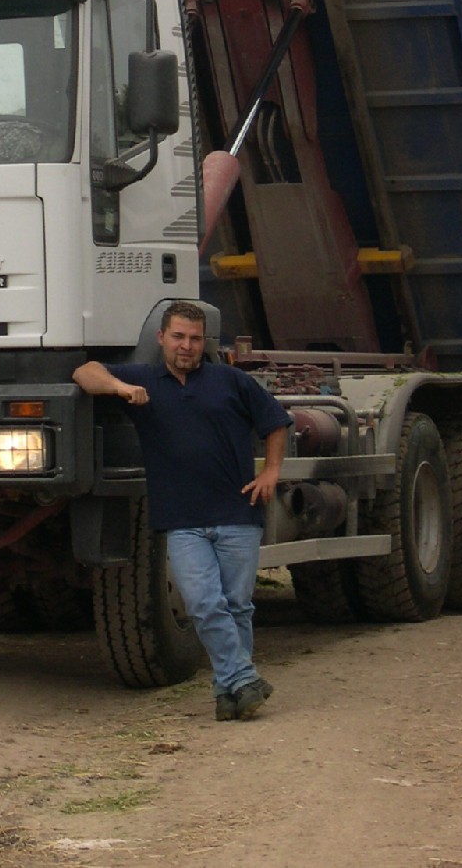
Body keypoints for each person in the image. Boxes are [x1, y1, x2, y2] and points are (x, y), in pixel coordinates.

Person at [73, 301, 291, 721]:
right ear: (162, 338)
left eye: (194, 339)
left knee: (237, 606)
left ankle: (229, 693)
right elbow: (85, 373)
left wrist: (272, 472)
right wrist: (119, 389)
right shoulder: (142, 380)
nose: (186, 346)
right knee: (204, 605)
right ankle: (244, 679)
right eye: (178, 337)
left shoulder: (231, 381)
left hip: (238, 513)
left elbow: (275, 422)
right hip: (182, 520)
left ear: (203, 342)